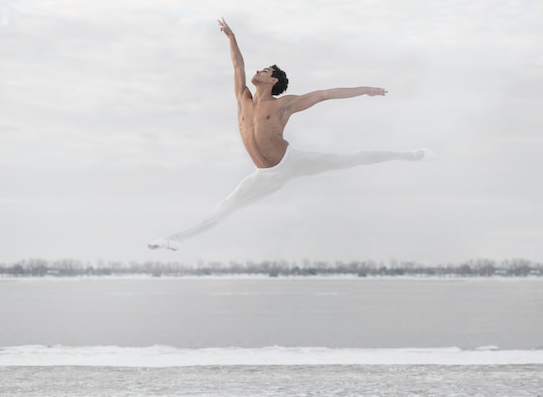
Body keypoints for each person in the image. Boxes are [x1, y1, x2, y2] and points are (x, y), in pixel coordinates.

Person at [148, 18, 433, 251]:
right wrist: (231, 37)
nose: (258, 70)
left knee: (351, 158)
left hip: (292, 162)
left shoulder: (283, 104)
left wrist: (365, 90)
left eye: (265, 70)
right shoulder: (243, 98)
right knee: (226, 206)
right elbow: (238, 66)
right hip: (265, 175)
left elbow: (323, 94)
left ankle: (411, 155)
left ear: (272, 80)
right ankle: (175, 239)